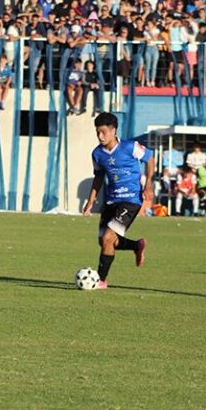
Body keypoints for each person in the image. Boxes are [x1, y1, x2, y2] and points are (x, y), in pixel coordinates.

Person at [82, 112, 153, 289]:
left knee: (107, 237)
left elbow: (149, 158)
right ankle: (137, 245)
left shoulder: (130, 147)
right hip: (111, 201)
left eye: (103, 132)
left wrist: (149, 183)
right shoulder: (97, 154)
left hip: (131, 200)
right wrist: (90, 201)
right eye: (97, 132)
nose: (100, 136)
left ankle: (101, 280)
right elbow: (98, 178)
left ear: (113, 130)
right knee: (105, 241)